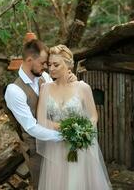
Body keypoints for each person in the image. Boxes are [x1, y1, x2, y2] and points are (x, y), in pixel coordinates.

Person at [36, 45, 112, 190]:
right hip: (56, 146)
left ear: (68, 64)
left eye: (56, 64)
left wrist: (83, 132)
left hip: (78, 146)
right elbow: (41, 120)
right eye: (49, 64)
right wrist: (66, 129)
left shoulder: (83, 88)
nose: (51, 68)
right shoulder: (45, 88)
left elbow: (93, 116)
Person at [4, 40, 76, 189]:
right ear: (30, 60)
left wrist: (71, 83)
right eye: (43, 63)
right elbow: (31, 127)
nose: (46, 67)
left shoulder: (45, 78)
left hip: (58, 145)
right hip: (37, 150)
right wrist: (63, 137)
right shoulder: (14, 90)